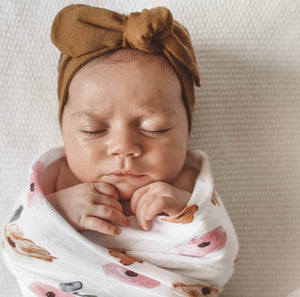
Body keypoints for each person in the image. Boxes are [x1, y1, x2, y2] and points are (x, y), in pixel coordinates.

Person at [2, 5, 239, 297]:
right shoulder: (56, 178)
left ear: (186, 131)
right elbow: (16, 244)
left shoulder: (188, 186)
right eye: (94, 130)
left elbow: (221, 263)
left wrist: (189, 216)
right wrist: (57, 210)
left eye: (156, 128)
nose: (124, 147)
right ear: (64, 130)